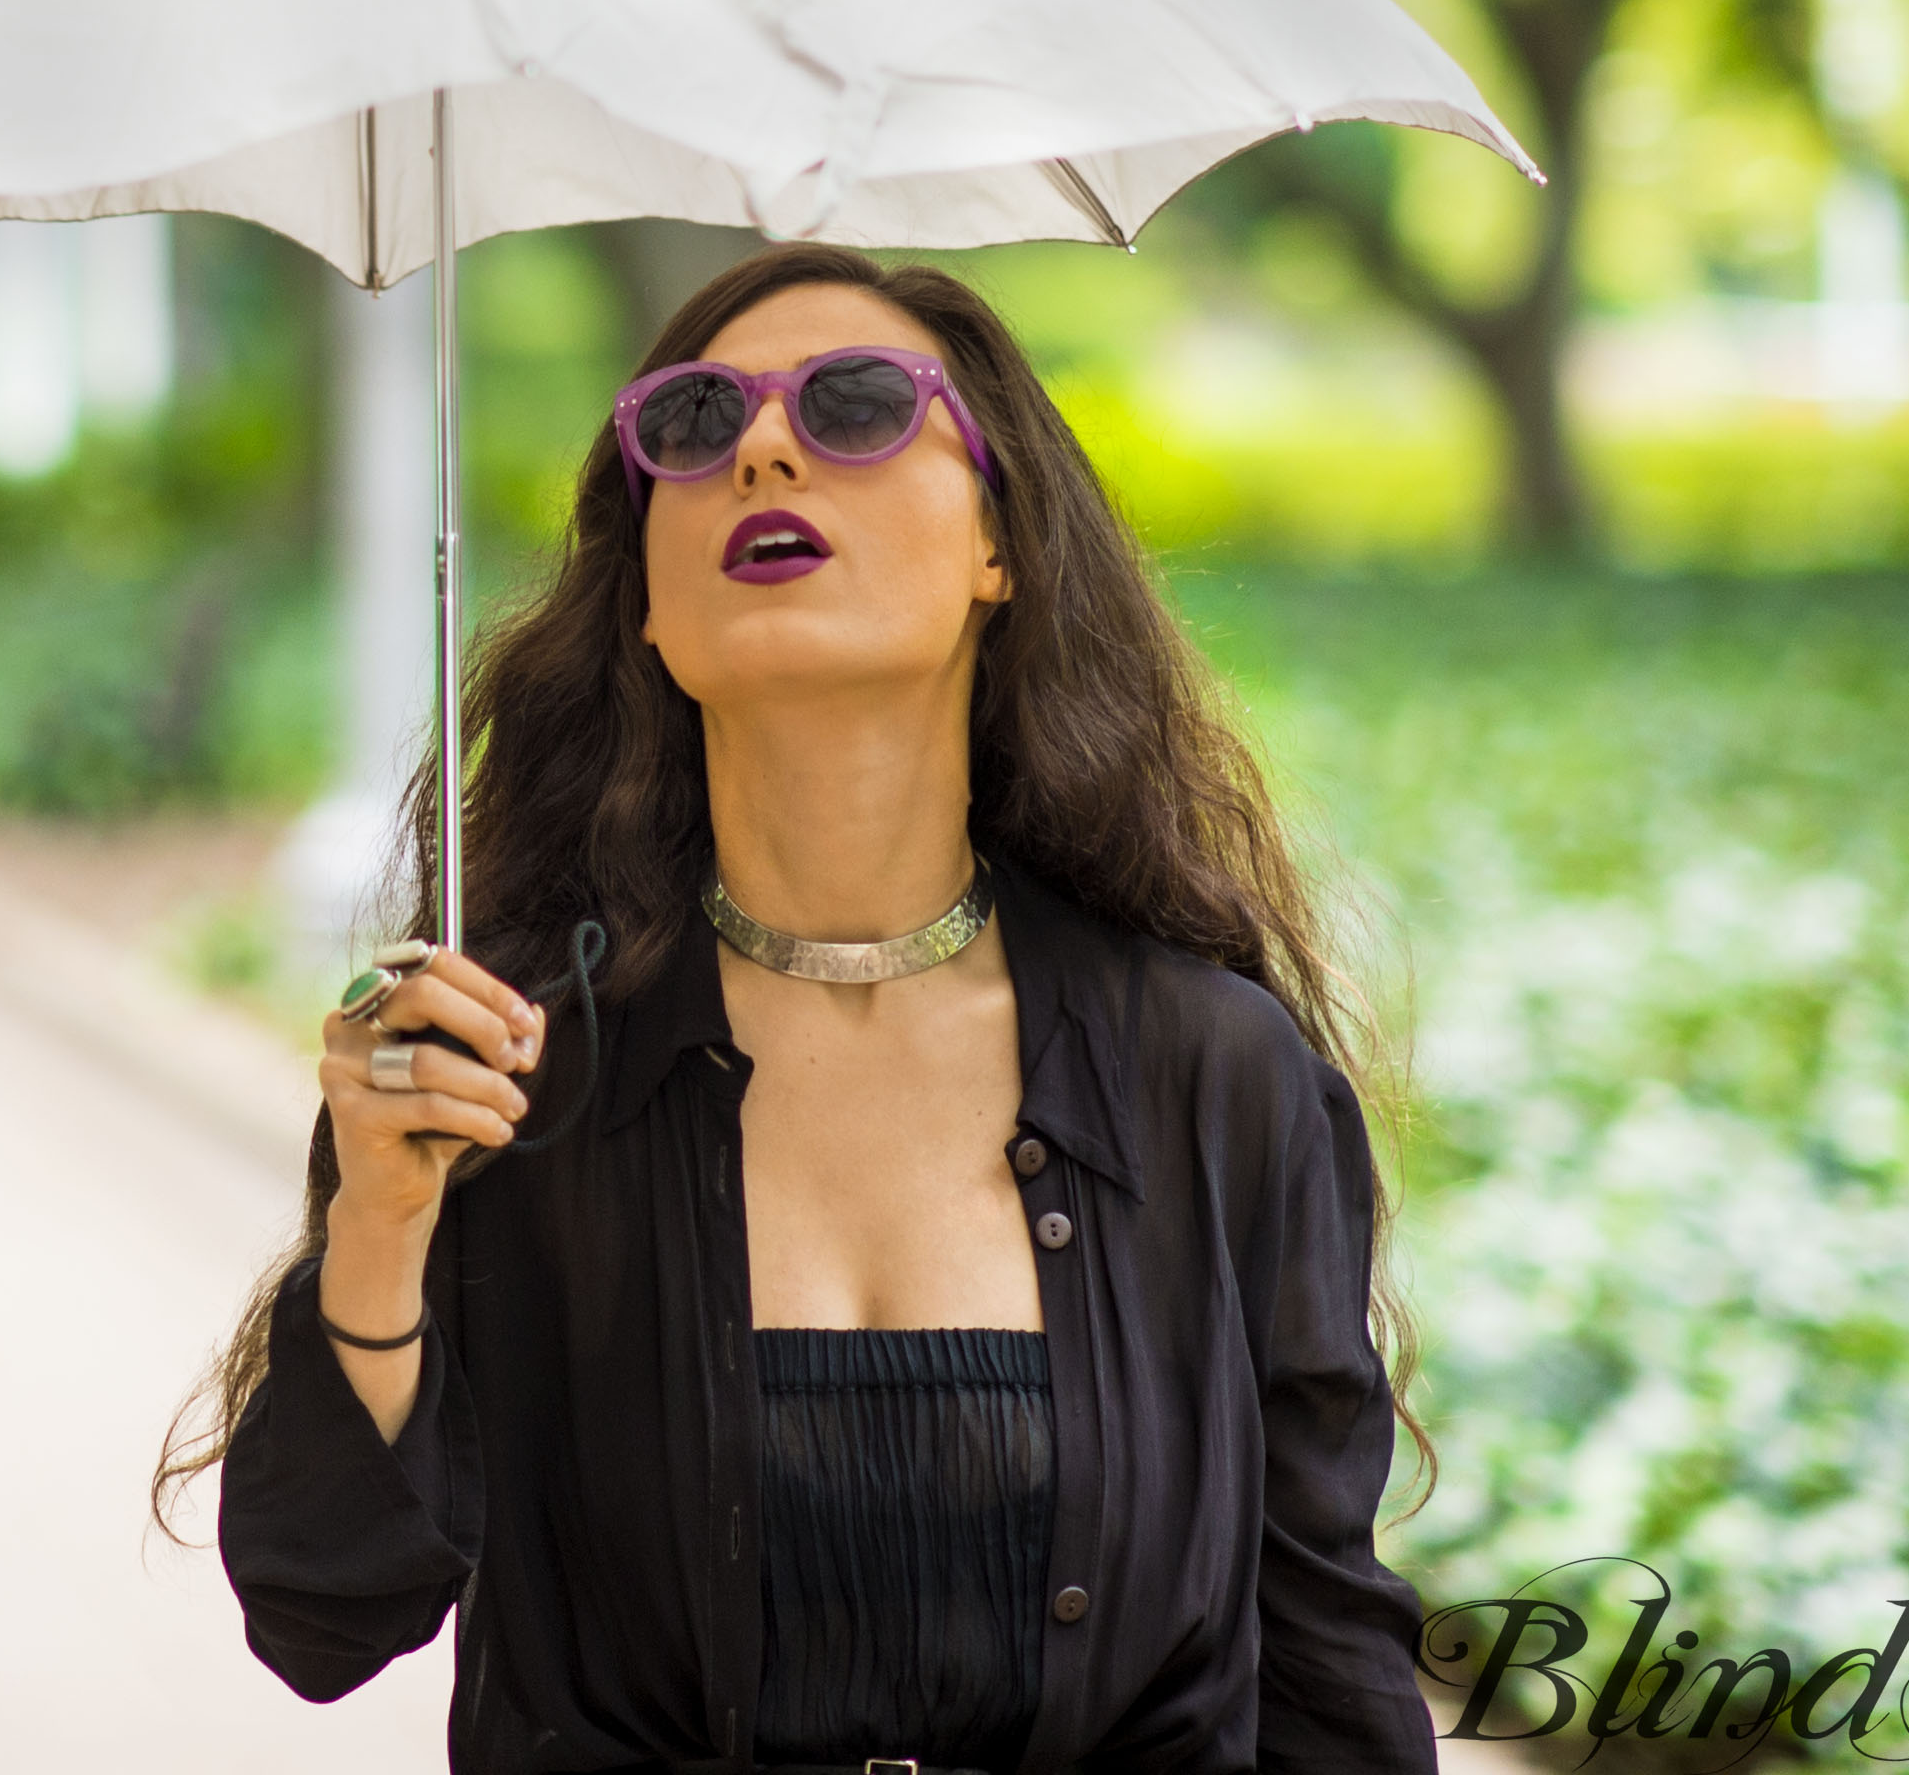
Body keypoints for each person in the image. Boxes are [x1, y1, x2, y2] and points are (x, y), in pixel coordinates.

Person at [166, 240, 1432, 1774]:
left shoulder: (1212, 1075)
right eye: (692, 424)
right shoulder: (497, 1069)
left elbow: (1328, 1669)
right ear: (644, 598)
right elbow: (319, 1615)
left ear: (1000, 544)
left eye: (856, 406)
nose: (762, 446)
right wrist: (379, 1227)